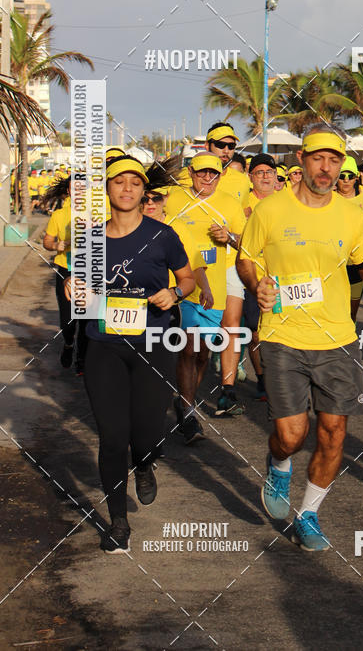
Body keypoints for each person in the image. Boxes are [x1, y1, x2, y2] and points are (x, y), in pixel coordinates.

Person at [237, 126, 363, 551]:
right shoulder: (270, 211)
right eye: (319, 159)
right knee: (291, 434)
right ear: (302, 159)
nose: (327, 169)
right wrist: (256, 285)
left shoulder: (352, 215)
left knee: (334, 432)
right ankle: (279, 463)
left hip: (337, 337)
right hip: (283, 334)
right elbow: (246, 259)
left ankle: (309, 514)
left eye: (335, 161)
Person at [65, 155, 195, 553]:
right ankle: (118, 522)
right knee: (112, 436)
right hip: (104, 345)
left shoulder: (163, 235)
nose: (126, 189)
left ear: (144, 191)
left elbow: (188, 279)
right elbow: (78, 284)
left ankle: (145, 462)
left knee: (148, 433)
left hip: (154, 343)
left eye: (134, 184)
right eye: (118, 182)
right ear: (108, 189)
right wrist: (72, 285)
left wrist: (174, 292)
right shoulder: (88, 238)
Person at [164, 151, 246, 431]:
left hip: (216, 287)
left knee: (203, 353)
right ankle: (187, 412)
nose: (208, 177)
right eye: (202, 172)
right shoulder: (173, 197)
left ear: (221, 176)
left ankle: (185, 401)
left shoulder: (230, 204)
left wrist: (230, 237)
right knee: (188, 349)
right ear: (191, 173)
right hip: (182, 283)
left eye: (213, 173)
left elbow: (246, 244)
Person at [205, 123, 251, 407]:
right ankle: (185, 397)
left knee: (231, 325)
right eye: (220, 145)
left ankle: (228, 390)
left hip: (230, 261)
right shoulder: (186, 178)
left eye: (231, 146)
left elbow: (244, 225)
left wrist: (232, 237)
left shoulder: (240, 181)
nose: (226, 151)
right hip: (197, 265)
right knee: (195, 337)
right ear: (207, 145)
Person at [241, 153, 278, 399]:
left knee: (280, 331)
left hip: (282, 277)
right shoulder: (242, 204)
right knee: (255, 331)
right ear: (250, 177)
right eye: (259, 172)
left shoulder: (288, 201)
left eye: (269, 172)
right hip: (252, 275)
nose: (264, 176)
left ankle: (281, 377)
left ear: (276, 176)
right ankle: (263, 378)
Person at [43, 175, 88, 373]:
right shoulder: (59, 215)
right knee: (68, 321)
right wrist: (56, 245)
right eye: (74, 188)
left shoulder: (99, 214)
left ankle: (82, 359)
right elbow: (47, 241)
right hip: (65, 270)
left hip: (90, 270)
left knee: (87, 319)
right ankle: (69, 344)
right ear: (69, 191)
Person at [335, 155, 363, 321]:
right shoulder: (328, 199)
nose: (346, 180)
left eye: (349, 176)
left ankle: (348, 343)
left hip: (357, 263)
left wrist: (359, 227)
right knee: (334, 312)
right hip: (334, 263)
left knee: (351, 314)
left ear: (356, 177)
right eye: (341, 176)